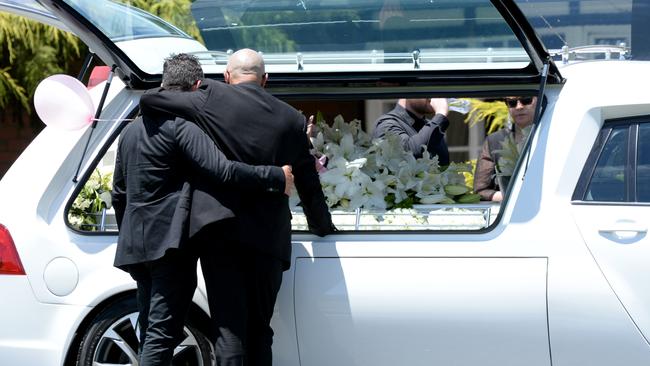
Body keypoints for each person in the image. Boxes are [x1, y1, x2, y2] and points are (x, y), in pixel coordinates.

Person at [139, 48, 335, 366]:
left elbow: (150, 100)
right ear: (265, 80)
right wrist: (322, 227)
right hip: (269, 239)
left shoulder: (211, 96)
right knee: (260, 332)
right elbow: (308, 181)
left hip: (221, 235)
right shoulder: (291, 118)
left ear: (227, 77)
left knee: (229, 334)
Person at [111, 53, 295, 366]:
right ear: (198, 86)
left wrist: (129, 233)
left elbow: (119, 192)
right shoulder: (181, 126)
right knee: (161, 335)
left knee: (150, 331)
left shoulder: (131, 130)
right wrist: (277, 176)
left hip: (137, 246)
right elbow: (222, 170)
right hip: (170, 246)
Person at [473, 96, 538, 202]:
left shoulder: (550, 135)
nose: (519, 107)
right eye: (512, 103)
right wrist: (511, 197)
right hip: (507, 212)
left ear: (537, 101)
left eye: (526, 100)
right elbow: (480, 190)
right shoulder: (495, 140)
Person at [372, 98, 451, 165]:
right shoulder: (386, 124)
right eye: (426, 86)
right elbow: (407, 154)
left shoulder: (432, 126)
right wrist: (441, 114)